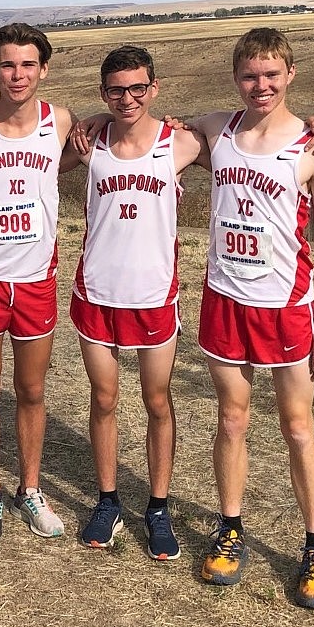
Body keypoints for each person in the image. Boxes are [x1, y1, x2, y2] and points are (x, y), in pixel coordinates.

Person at [191, 28, 314, 610]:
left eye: (272, 74)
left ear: (290, 75)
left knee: (297, 427)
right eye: (251, 75)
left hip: (285, 305)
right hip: (225, 299)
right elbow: (149, 127)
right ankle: (230, 527)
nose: (261, 85)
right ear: (236, 78)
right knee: (231, 420)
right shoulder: (216, 129)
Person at [68, 46, 207, 560]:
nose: (127, 98)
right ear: (102, 92)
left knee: (157, 403)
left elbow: (249, 143)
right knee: (103, 400)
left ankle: (158, 505)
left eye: (137, 88)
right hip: (97, 293)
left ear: (154, 88)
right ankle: (108, 501)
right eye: (115, 90)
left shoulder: (183, 142)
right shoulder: (88, 141)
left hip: (153, 296)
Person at [0, 23, 76, 540]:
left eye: (28, 64)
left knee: (30, 389)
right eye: (8, 65)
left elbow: (104, 137)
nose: (18, 74)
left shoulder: (61, 120)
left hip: (35, 277)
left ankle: (30, 488)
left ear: (44, 69)